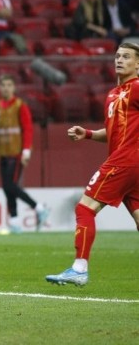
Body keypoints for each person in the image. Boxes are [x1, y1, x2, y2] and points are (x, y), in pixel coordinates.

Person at [46, 41, 139, 286]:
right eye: (117, 56)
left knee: (84, 209)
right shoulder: (113, 94)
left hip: (125, 161)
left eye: (127, 57)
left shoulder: (138, 87)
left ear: (138, 64)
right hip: (130, 163)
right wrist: (87, 134)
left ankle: (79, 268)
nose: (119, 60)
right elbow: (113, 132)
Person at [0, 75, 49, 234]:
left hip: (16, 154)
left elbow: (28, 128)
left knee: (10, 185)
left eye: (9, 85)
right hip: (3, 152)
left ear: (14, 88)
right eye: (3, 85)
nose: (6, 88)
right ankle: (15, 222)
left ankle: (38, 208)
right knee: (7, 188)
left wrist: (26, 150)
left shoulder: (20, 105)